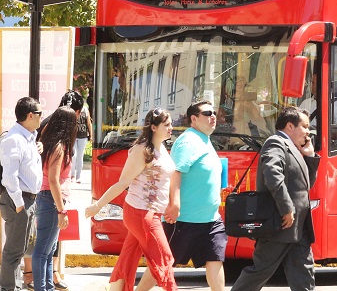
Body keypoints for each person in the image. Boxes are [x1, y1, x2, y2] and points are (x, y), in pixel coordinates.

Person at [229, 106, 321, 291]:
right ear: (289, 126)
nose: (308, 132)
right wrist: (286, 208)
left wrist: (309, 156)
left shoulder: (294, 149)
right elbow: (273, 175)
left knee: (303, 274)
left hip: (298, 228)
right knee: (259, 273)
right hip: (280, 224)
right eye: (304, 126)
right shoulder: (276, 143)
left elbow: (306, 184)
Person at [85, 108, 177, 291]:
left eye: (171, 124)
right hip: (141, 213)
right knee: (165, 259)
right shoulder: (142, 150)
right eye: (166, 125)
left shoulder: (162, 148)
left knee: (128, 259)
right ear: (153, 127)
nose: (171, 128)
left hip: (151, 213)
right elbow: (122, 183)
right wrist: (97, 206)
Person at [139, 101, 226, 291]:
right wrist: (174, 204)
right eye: (207, 113)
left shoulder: (204, 139)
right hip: (184, 220)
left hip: (211, 220)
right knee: (162, 264)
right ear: (193, 119)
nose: (213, 117)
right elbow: (175, 172)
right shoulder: (188, 141)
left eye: (214, 113)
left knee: (215, 260)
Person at [0, 97, 43, 291]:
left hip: (27, 200)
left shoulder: (29, 137)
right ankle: (10, 288)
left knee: (20, 249)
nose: (42, 118)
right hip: (18, 200)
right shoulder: (14, 139)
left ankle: (14, 286)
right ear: (30, 115)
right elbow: (10, 176)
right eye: (40, 114)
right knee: (13, 252)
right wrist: (19, 203)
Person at [32, 106, 76, 291]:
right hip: (50, 200)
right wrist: (62, 211)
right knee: (43, 252)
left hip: (48, 199)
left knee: (49, 252)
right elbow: (53, 180)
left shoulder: (51, 142)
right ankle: (42, 288)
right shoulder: (59, 146)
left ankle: (47, 287)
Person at [299, 62, 337, 150]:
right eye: (312, 82)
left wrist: (314, 130)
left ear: (326, 85)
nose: (312, 86)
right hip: (307, 146)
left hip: (334, 149)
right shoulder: (305, 103)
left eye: (315, 83)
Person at [57, 91, 89, 184]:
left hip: (82, 136)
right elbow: (53, 178)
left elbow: (88, 123)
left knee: (79, 156)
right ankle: (73, 175)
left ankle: (77, 176)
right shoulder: (59, 126)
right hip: (52, 191)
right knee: (74, 156)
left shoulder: (59, 121)